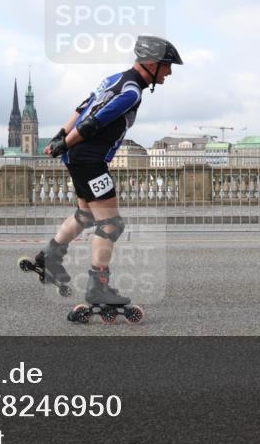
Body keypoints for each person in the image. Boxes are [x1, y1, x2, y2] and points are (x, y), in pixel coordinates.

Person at [30, 35, 182, 310]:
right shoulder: (132, 92)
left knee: (86, 214)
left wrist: (60, 137)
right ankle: (98, 287)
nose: (169, 72)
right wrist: (65, 142)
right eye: (167, 65)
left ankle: (49, 257)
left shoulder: (114, 78)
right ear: (151, 64)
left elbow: (81, 107)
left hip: (79, 157)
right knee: (111, 224)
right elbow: (92, 122)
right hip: (89, 159)